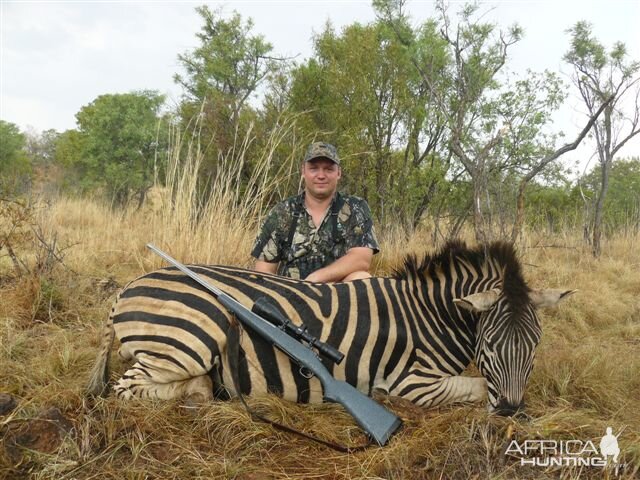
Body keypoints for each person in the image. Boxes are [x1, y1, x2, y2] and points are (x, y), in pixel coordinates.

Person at [251, 142, 379, 282]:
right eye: (313, 169)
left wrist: (315, 279)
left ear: (339, 173)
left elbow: (361, 260)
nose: (321, 175)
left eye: (328, 169)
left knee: (362, 278)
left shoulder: (356, 208)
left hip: (337, 296)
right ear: (303, 171)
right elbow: (263, 270)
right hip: (290, 296)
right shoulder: (282, 211)